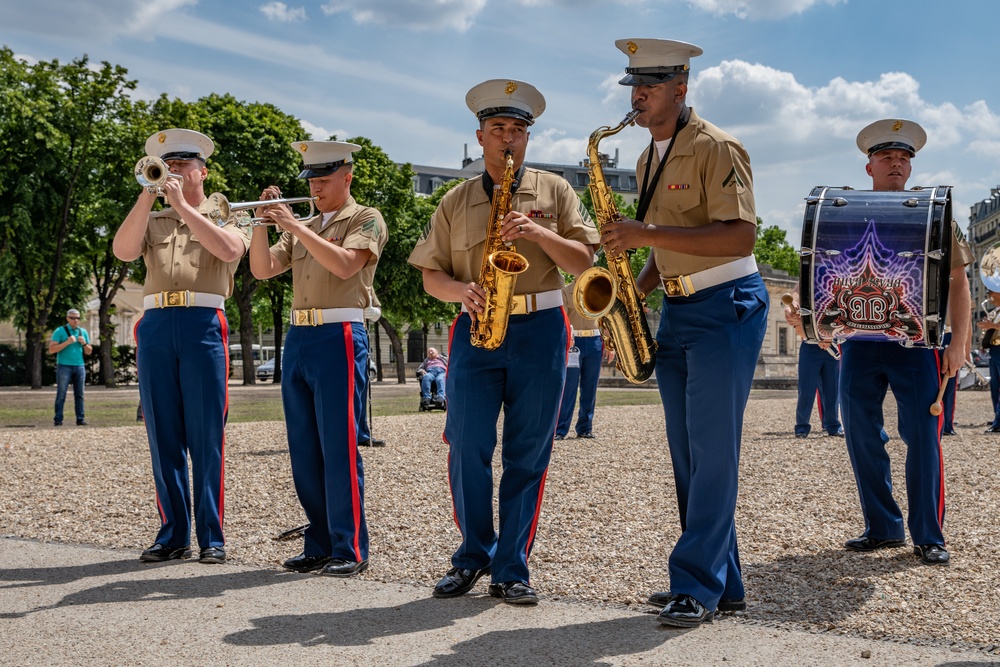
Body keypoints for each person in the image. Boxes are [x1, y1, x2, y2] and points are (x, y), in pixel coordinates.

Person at [408, 78, 599, 606]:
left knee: (527, 453)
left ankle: (512, 567)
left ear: (527, 139)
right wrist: (459, 290)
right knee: (467, 446)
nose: (508, 139)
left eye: (518, 130)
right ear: (480, 135)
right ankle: (473, 554)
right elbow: (431, 275)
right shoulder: (456, 199)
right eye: (498, 129)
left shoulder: (556, 191)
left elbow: (584, 262)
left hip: (541, 326)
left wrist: (539, 235)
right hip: (476, 326)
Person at [598, 39, 768, 627]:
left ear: (681, 87)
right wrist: (631, 295)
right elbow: (662, 242)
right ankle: (725, 582)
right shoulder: (647, 159)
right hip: (678, 308)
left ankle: (694, 583)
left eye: (650, 85)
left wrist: (642, 232)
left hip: (727, 303)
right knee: (689, 452)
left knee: (713, 450)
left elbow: (738, 238)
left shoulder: (718, 147)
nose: (638, 96)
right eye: (633, 86)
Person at [835, 119, 972, 566]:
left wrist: (959, 341)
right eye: (887, 157)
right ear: (869, 165)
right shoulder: (843, 210)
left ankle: (929, 535)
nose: (897, 164)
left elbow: (957, 277)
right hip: (858, 337)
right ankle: (883, 526)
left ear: (910, 167)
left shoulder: (934, 211)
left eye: (904, 159)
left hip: (918, 341)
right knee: (859, 434)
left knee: (923, 436)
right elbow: (823, 266)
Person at [249, 140, 386, 577]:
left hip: (340, 332)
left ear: (347, 177)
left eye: (324, 180)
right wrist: (261, 223)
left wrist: (297, 225)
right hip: (300, 334)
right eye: (310, 180)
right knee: (304, 446)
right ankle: (319, 542)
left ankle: (350, 547)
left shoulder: (364, 218)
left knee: (339, 444)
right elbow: (262, 269)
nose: (315, 189)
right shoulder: (302, 223)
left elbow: (347, 266)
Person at [113, 128, 250, 565]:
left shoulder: (226, 211)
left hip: (203, 321)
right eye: (165, 167)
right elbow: (123, 250)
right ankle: (173, 534)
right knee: (163, 435)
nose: (171, 173)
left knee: (206, 434)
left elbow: (230, 251)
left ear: (202, 170)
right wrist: (148, 197)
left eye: (180, 166)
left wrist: (183, 208)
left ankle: (212, 536)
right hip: (155, 322)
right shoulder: (152, 215)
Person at [555, 279, 612, 440]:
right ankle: (561, 429)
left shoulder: (599, 288)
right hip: (575, 342)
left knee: (590, 387)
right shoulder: (566, 291)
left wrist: (610, 345)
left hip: (595, 340)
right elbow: (565, 317)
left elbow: (605, 318)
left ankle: (585, 427)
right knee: (569, 388)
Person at [781, 312, 842, 439]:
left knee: (832, 389)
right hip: (810, 347)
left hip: (832, 345)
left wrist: (828, 339)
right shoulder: (807, 298)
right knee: (806, 390)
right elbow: (798, 325)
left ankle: (833, 426)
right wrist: (819, 339)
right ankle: (802, 427)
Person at [49, 308, 93, 426]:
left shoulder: (83, 332)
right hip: (64, 366)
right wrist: (67, 342)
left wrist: (84, 343)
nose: (75, 320)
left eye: (78, 318)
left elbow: (89, 352)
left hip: (79, 366)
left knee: (80, 395)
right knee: (61, 394)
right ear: (67, 318)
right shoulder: (60, 331)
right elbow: (51, 349)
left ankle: (80, 419)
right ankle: (58, 419)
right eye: (73, 318)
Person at [977, 289, 1000, 432]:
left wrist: (992, 325)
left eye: (991, 293)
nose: (989, 296)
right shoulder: (996, 311)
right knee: (995, 387)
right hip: (995, 349)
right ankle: (997, 417)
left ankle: (998, 423)